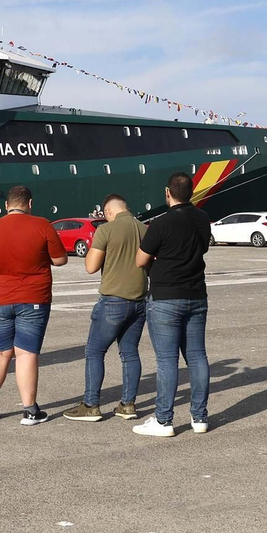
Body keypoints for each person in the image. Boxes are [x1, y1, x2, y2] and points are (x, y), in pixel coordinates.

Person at [0, 185, 66, 424]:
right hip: (34, 298)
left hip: (0, 299)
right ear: (30, 204)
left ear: (6, 205)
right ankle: (30, 410)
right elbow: (60, 259)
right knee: (25, 353)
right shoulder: (43, 225)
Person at [133, 172, 214, 437]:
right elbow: (202, 249)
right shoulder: (203, 219)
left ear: (168, 192)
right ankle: (199, 417)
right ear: (191, 192)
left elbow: (140, 260)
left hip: (166, 296)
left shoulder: (161, 223)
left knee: (167, 360)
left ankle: (164, 420)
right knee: (197, 356)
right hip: (196, 294)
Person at [65, 194, 147, 422]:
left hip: (113, 300)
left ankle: (91, 404)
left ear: (108, 212)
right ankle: (128, 405)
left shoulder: (106, 230)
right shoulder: (144, 229)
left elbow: (91, 266)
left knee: (95, 351)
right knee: (130, 353)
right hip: (139, 301)